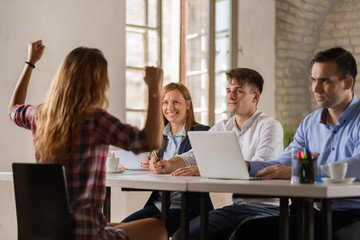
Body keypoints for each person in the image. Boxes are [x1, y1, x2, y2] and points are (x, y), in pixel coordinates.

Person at [8, 40, 167, 240]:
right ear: (98, 83)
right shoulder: (95, 120)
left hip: (50, 230)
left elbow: (14, 108)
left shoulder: (41, 115)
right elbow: (151, 142)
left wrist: (30, 62)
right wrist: (154, 89)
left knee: (121, 224)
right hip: (86, 233)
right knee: (157, 228)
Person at [232, 47, 360, 240]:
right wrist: (248, 166)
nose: (315, 89)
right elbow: (284, 162)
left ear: (347, 82)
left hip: (353, 216)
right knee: (248, 230)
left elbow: (356, 166)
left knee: (251, 232)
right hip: (317, 213)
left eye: (324, 81)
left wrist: (297, 171)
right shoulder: (310, 123)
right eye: (314, 80)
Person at [150, 68, 284, 240]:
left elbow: (259, 167)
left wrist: (204, 169)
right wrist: (167, 164)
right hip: (236, 208)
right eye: (229, 90)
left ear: (255, 97)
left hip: (267, 209)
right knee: (181, 237)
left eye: (238, 91)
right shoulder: (222, 127)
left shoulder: (269, 126)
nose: (231, 96)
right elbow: (191, 156)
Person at [122, 82, 213, 236]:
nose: (169, 108)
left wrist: (165, 166)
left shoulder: (202, 133)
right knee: (121, 228)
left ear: (188, 104)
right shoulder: (158, 138)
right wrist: (143, 167)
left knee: (135, 233)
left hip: (187, 208)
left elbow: (196, 162)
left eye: (175, 102)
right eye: (165, 103)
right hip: (160, 204)